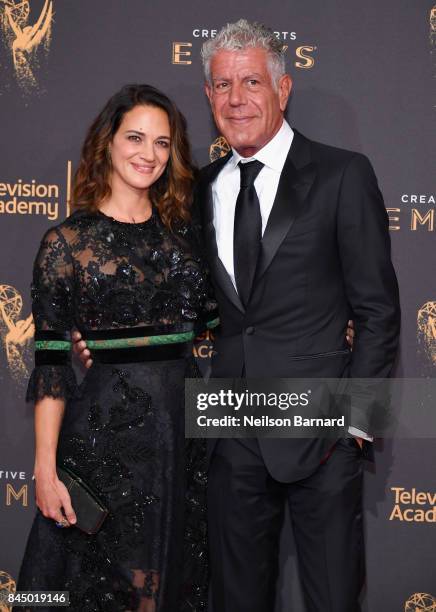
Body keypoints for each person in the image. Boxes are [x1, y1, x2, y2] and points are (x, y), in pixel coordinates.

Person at [195, 19, 400, 612]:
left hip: (322, 436)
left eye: (252, 81)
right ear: (208, 96)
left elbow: (378, 308)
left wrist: (357, 423)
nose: (237, 99)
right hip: (229, 431)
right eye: (222, 85)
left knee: (334, 597)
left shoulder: (342, 174)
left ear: (283, 89)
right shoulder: (200, 186)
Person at [16, 84, 217, 612]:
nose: (148, 154)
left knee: (170, 585)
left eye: (162, 143)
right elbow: (53, 365)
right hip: (104, 444)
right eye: (135, 137)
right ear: (108, 142)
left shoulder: (185, 241)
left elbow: (229, 322)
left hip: (182, 442)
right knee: (97, 590)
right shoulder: (65, 244)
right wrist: (45, 467)